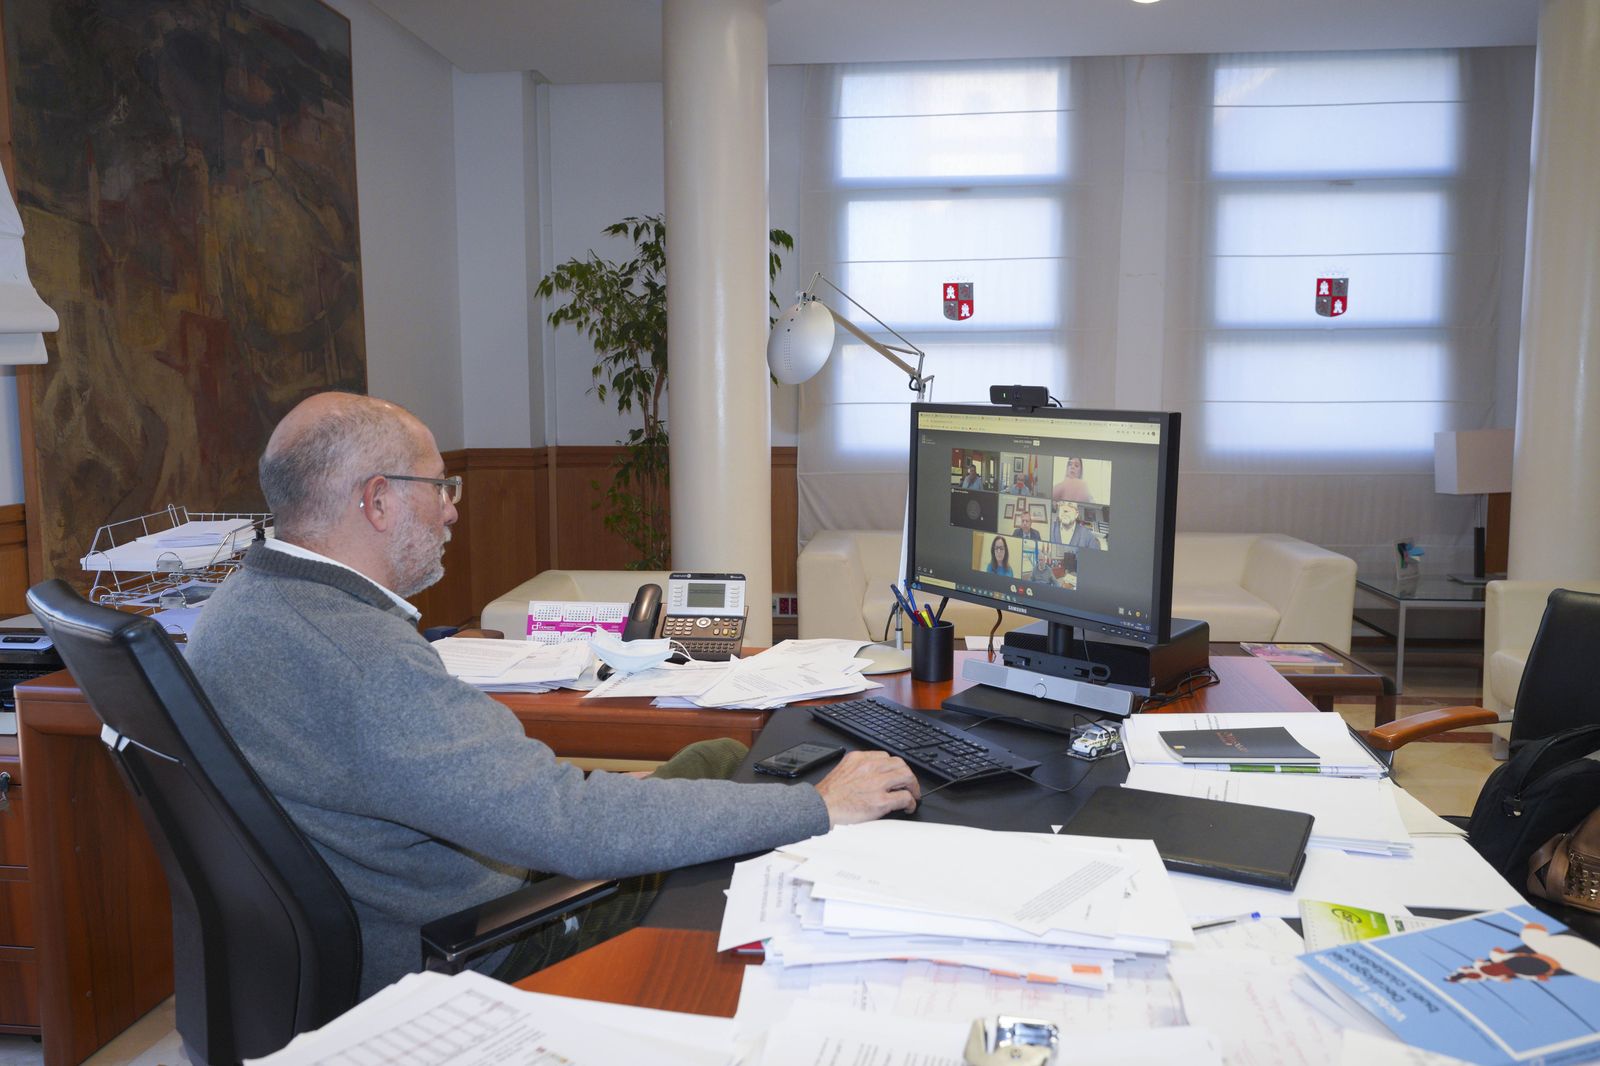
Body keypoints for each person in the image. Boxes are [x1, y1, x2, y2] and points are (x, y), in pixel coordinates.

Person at [186, 392, 919, 999]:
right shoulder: (361, 658)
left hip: (384, 909)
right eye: (439, 487)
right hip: (485, 940)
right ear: (377, 502)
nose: (451, 510)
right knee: (757, 823)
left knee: (718, 753)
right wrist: (819, 805)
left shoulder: (235, 609)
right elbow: (566, 825)